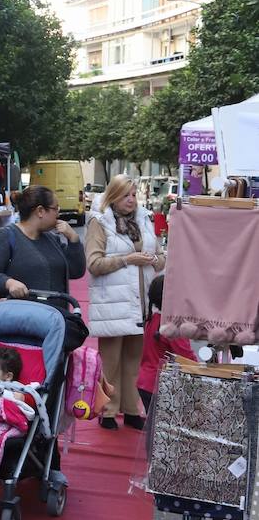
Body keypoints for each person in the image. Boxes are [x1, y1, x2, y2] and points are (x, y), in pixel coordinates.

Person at [86, 175, 164, 431]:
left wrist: (154, 260)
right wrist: (127, 259)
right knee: (110, 363)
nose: (131, 200)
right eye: (125, 195)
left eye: (133, 194)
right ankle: (107, 410)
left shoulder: (144, 219)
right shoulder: (99, 222)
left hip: (141, 301)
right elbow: (94, 264)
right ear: (112, 196)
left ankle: (131, 409)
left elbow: (161, 257)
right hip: (113, 302)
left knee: (134, 361)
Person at [0, 185, 86, 303]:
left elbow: (76, 271)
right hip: (22, 313)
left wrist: (74, 240)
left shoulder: (52, 239)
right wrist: (8, 283)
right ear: (40, 211)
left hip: (56, 313)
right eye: (56, 208)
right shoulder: (5, 236)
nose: (58, 214)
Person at [136, 274, 194, 414]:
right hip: (161, 384)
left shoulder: (153, 319)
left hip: (146, 381)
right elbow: (186, 358)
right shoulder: (172, 327)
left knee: (153, 424)